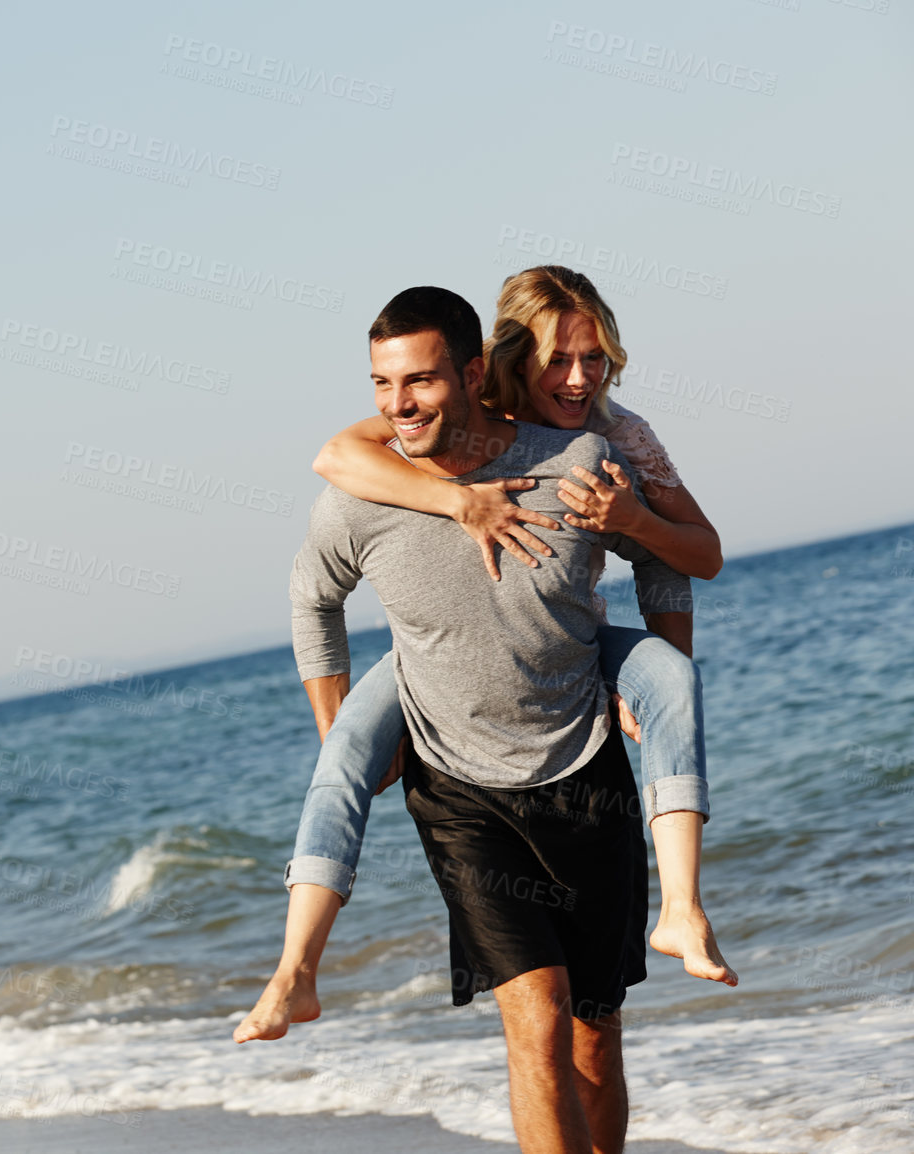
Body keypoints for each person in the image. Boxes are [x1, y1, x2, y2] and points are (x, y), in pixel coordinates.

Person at [241, 285, 702, 1151]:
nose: (398, 404)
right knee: (536, 1019)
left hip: (582, 766)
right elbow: (311, 598)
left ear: (476, 374)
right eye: (383, 385)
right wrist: (339, 722)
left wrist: (644, 678)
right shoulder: (365, 490)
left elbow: (671, 561)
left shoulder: (584, 459)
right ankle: (296, 968)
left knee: (594, 1036)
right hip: (459, 791)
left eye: (419, 381)